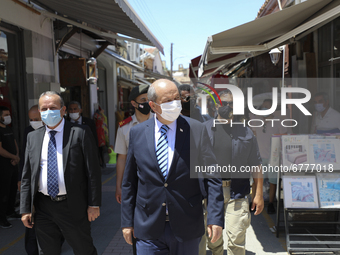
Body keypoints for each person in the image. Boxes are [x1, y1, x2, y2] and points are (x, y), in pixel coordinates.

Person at [121, 79, 224, 255]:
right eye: (168, 101)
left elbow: (212, 177)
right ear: (153, 105)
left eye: (177, 98)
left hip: (186, 224)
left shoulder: (196, 130)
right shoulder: (137, 133)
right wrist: (126, 221)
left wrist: (215, 217)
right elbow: (129, 181)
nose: (175, 104)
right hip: (148, 225)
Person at [20, 91, 102, 255]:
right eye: (44, 108)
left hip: (72, 205)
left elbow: (93, 172)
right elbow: (27, 176)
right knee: (48, 251)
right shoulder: (33, 137)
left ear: (63, 110)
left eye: (53, 107)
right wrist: (25, 209)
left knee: (83, 249)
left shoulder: (80, 132)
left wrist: (94, 204)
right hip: (43, 206)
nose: (48, 111)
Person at [200, 89, 264, 255]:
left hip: (238, 191)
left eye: (232, 104)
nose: (228, 107)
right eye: (224, 103)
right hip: (210, 193)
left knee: (236, 238)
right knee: (213, 238)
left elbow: (256, 164)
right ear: (216, 105)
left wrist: (258, 195)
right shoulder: (203, 130)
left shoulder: (246, 131)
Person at [114, 84, 153, 255]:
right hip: (135, 183)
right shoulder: (125, 128)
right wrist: (119, 185)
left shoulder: (161, 122)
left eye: (149, 100)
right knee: (137, 226)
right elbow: (121, 158)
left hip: (156, 181)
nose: (147, 103)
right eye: (143, 100)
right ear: (134, 103)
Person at [250, 99, 287, 214]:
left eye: (267, 106)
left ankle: (271, 203)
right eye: (263, 106)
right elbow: (253, 133)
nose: (264, 108)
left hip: (273, 157)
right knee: (256, 181)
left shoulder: (278, 122)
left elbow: (284, 136)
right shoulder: (256, 120)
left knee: (273, 181)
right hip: (258, 156)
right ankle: (253, 203)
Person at [19, 105, 43, 255]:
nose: (34, 122)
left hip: (52, 188)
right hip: (33, 185)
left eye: (37, 120)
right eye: (31, 120)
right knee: (31, 220)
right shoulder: (29, 132)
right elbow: (24, 158)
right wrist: (20, 179)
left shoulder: (54, 133)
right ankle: (32, 250)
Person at [0, 106, 20, 228]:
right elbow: (0, 149)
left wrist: (16, 156)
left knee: (13, 189)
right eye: (5, 115)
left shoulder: (9, 128)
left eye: (8, 114)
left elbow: (14, 143)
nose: (8, 117)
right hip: (3, 166)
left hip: (13, 164)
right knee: (3, 192)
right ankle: (2, 218)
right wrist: (13, 156)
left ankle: (10, 211)